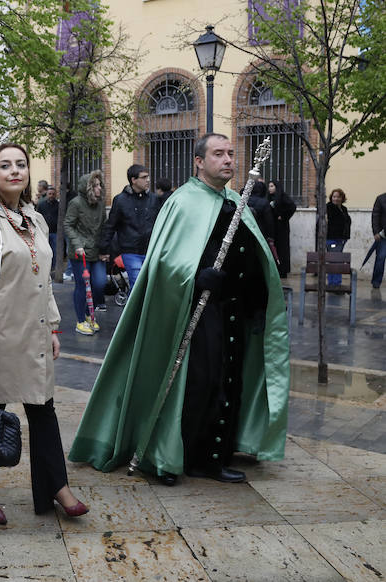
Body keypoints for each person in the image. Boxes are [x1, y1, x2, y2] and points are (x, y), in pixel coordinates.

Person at [68, 133, 289, 486]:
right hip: (194, 310)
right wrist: (196, 276)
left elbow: (251, 257)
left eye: (231, 154)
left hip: (233, 309)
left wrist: (257, 299)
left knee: (228, 381)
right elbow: (165, 261)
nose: (228, 160)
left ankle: (218, 453)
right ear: (199, 162)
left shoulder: (236, 201)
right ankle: (185, 456)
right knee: (201, 381)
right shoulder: (182, 202)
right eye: (218, 154)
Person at [0, 143, 88, 525]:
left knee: (43, 408)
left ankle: (55, 486)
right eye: (5, 165)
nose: (15, 171)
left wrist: (53, 325)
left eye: (21, 164)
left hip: (32, 332)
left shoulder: (34, 217)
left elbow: (41, 278)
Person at [99, 164, 161, 291]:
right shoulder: (120, 200)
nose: (148, 180)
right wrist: (103, 249)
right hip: (130, 251)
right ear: (133, 180)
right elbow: (111, 225)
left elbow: (160, 223)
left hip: (150, 251)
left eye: (148, 177)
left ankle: (137, 310)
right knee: (137, 286)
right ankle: (135, 311)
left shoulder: (153, 199)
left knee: (150, 288)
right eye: (144, 177)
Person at [64, 170, 108, 336]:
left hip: (96, 251)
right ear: (88, 188)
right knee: (82, 286)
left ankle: (90, 315)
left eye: (99, 185)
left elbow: (104, 226)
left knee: (99, 283)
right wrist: (77, 244)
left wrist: (105, 249)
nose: (99, 188)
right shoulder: (75, 203)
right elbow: (68, 225)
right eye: (95, 185)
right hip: (80, 253)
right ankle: (81, 320)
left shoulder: (101, 204)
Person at [267, 179, 296, 278]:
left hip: (282, 227)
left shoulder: (283, 197)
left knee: (282, 248)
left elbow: (292, 207)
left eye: (272, 186)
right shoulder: (268, 197)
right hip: (272, 227)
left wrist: (283, 216)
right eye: (269, 186)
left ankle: (283, 270)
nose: (269, 188)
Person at [326, 188, 352, 286]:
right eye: (334, 196)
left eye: (338, 197)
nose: (336, 199)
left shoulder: (344, 209)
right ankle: (335, 283)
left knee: (336, 260)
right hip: (331, 239)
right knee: (335, 260)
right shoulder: (329, 207)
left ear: (342, 198)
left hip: (341, 239)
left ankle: (333, 283)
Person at [36, 184, 60, 273]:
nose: (51, 196)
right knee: (45, 250)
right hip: (44, 232)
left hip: (55, 232)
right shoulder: (41, 204)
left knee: (54, 251)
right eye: (50, 194)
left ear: (55, 194)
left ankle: (53, 268)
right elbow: (38, 216)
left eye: (53, 194)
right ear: (47, 194)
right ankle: (46, 267)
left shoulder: (59, 205)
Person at [371, 192, 386, 289]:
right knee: (380, 258)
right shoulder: (381, 198)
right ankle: (376, 282)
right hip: (383, 236)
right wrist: (376, 232)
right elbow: (375, 216)